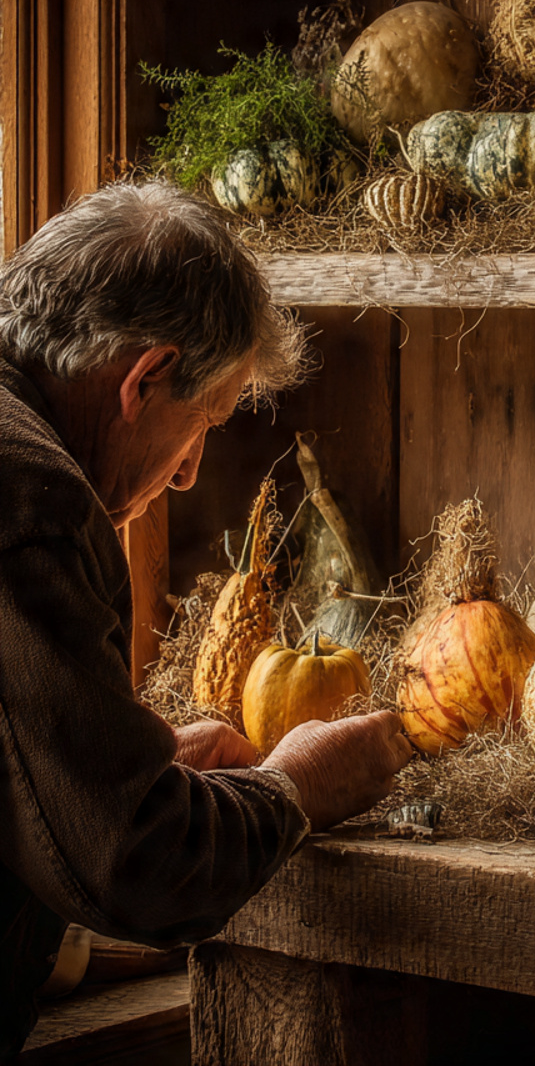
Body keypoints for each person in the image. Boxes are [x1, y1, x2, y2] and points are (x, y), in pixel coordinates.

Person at [0, 180, 413, 1058]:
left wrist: (121, 771)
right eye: (201, 428)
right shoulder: (35, 500)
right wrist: (293, 786)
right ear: (144, 378)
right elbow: (134, 863)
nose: (186, 476)